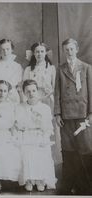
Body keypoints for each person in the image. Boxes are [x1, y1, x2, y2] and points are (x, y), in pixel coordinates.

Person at [54, 38, 92, 195]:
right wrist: (57, 113)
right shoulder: (60, 69)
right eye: (66, 50)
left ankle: (86, 187)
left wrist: (91, 113)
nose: (69, 52)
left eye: (71, 49)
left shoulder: (86, 68)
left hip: (83, 115)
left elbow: (91, 91)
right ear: (63, 51)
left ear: (76, 49)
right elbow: (57, 93)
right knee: (68, 150)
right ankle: (68, 185)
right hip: (66, 116)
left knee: (85, 149)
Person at [15, 79, 56, 192]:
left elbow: (48, 127)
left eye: (33, 90)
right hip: (26, 135)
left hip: (40, 135)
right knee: (26, 151)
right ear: (24, 93)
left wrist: (44, 137)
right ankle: (29, 179)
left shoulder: (45, 108)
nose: (31, 93)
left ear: (37, 91)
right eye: (28, 91)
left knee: (41, 151)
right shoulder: (19, 107)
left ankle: (40, 179)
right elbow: (18, 125)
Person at [0, 39, 23, 104]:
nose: (5, 52)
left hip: (13, 98)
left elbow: (20, 86)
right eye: (2, 49)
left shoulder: (17, 66)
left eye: (8, 49)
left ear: (12, 50)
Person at [23, 42, 56, 108]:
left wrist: (47, 95)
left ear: (45, 53)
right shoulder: (28, 69)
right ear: (34, 53)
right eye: (37, 52)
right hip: (32, 99)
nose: (39, 54)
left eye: (42, 51)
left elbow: (54, 87)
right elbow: (25, 87)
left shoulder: (51, 68)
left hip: (48, 99)